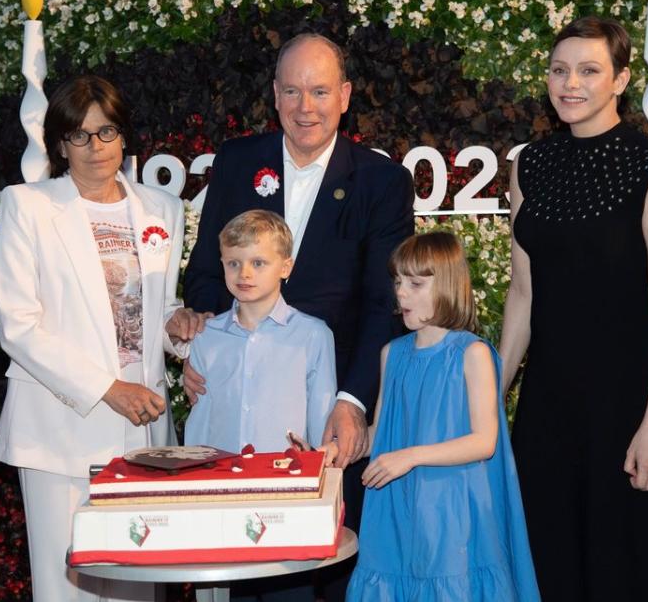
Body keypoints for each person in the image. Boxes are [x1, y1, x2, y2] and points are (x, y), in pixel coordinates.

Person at [182, 32, 414, 600]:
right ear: (275, 95)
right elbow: (207, 279)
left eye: (318, 91)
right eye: (292, 91)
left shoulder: (383, 182)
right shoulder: (238, 162)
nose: (305, 107)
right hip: (246, 422)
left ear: (345, 96)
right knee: (249, 571)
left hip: (331, 412)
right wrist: (204, 350)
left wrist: (353, 401)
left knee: (328, 569)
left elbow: (385, 305)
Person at [499, 15, 648, 600]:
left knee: (624, 569)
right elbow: (523, 295)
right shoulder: (529, 165)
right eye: (560, 70)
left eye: (589, 70)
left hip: (622, 409)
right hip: (546, 407)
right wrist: (488, 402)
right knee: (547, 563)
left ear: (621, 80)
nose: (571, 83)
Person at [0, 74, 200, 602]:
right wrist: (108, 388)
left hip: (144, 427)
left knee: (136, 585)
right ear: (61, 144)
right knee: (67, 588)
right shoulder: (27, 207)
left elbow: (154, 307)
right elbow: (17, 324)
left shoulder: (163, 209)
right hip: (61, 428)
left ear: (124, 136)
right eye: (79, 136)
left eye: (105, 132)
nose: (95, 147)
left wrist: (181, 330)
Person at [341, 232, 540, 601]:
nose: (401, 293)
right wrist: (336, 449)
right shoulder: (392, 354)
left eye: (416, 283)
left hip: (453, 509)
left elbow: (485, 441)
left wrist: (411, 455)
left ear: (448, 284)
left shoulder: (472, 353)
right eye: (399, 281)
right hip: (397, 508)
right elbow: (379, 433)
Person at [183, 209, 337, 453]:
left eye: (258, 263)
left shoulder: (313, 335)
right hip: (221, 479)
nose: (244, 273)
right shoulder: (207, 335)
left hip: (287, 480)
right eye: (234, 263)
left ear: (285, 268)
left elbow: (322, 418)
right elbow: (200, 419)